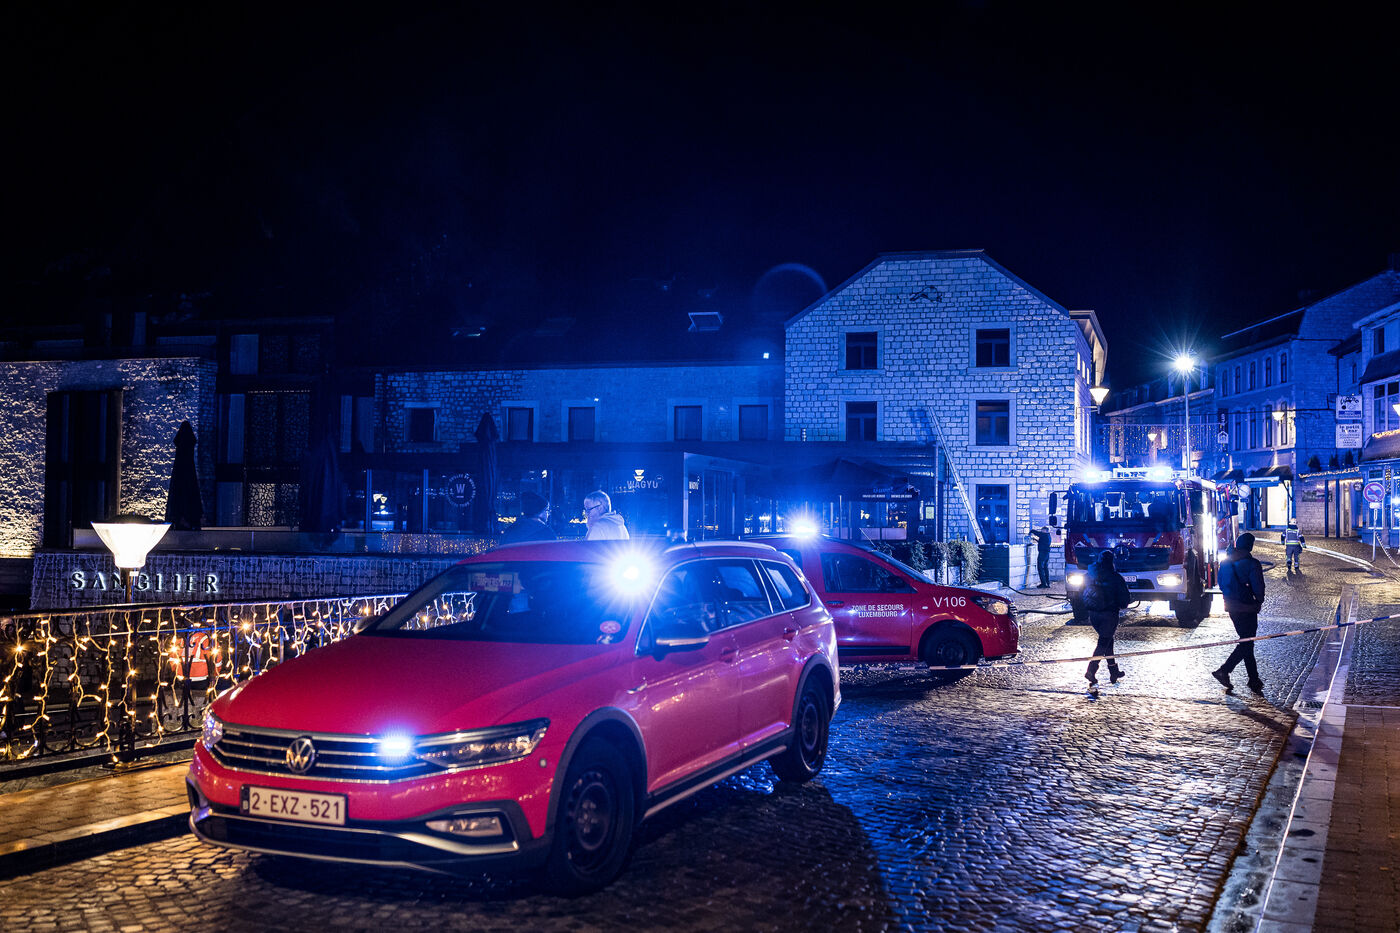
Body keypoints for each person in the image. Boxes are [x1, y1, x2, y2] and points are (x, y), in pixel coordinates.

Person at [1214, 532, 1266, 693]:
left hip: (1231, 607)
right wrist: (1258, 601)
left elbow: (1221, 583)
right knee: (1247, 642)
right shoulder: (1252, 564)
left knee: (1247, 641)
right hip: (1247, 607)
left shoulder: (1225, 562)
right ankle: (1224, 670)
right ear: (1250, 546)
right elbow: (1258, 587)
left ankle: (1254, 679)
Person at [1082, 550, 1131, 694]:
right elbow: (1124, 600)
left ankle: (1114, 671)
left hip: (1093, 614)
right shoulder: (1115, 577)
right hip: (1109, 614)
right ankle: (1091, 670)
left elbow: (1081, 592)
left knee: (1108, 641)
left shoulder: (1090, 575)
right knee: (1103, 643)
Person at [1032, 524, 1053, 588]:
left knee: (1040, 568)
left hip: (1042, 553)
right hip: (1046, 553)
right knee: (1045, 568)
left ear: (1045, 530)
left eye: (1042, 530)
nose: (1041, 531)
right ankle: (1047, 583)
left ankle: (1043, 584)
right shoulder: (1048, 536)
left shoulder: (1044, 535)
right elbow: (1042, 542)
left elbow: (1037, 533)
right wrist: (1035, 540)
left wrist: (1031, 531)